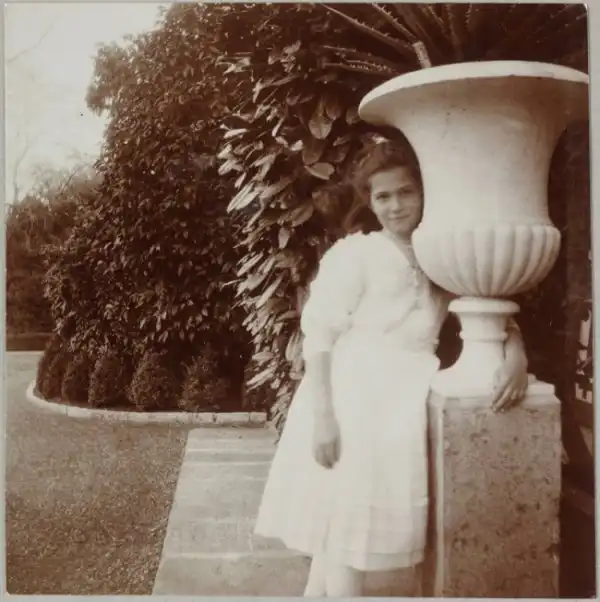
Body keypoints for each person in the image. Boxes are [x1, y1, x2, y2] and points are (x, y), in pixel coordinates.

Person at [253, 137, 530, 597]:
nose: (396, 205)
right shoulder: (358, 254)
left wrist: (517, 356)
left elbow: (487, 303)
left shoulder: (440, 254)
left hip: (402, 401)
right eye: (383, 196)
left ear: (423, 192)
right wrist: (324, 417)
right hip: (353, 395)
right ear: (369, 201)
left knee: (348, 529)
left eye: (406, 192)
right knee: (341, 523)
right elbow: (319, 337)